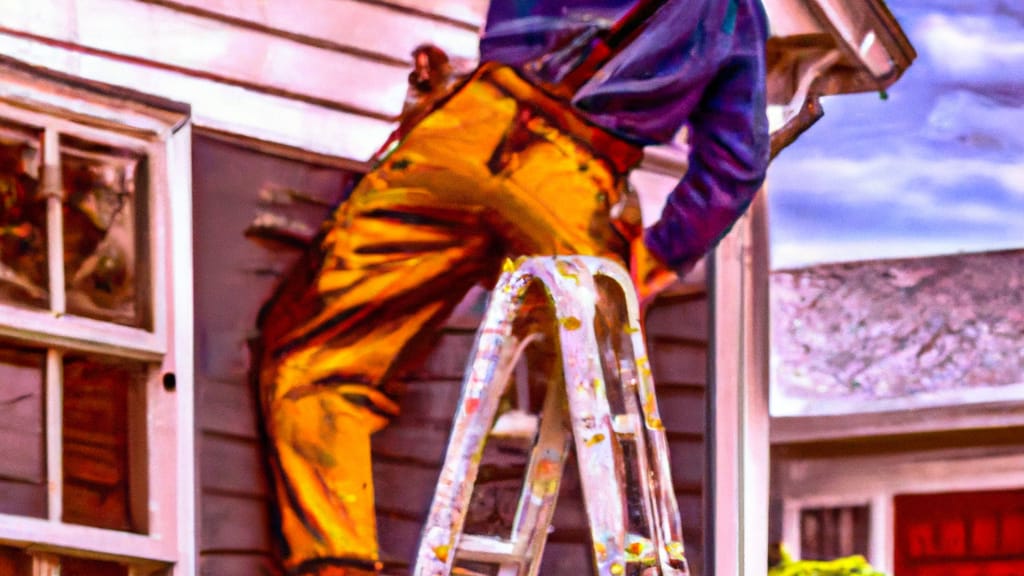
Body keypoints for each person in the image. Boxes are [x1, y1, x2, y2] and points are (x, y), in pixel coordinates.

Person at [256, 1, 769, 574]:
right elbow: (734, 164)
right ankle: (631, 558)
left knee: (319, 362)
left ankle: (337, 563)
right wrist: (656, 258)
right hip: (574, 173)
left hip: (464, 132)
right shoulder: (731, 11)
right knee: (598, 396)